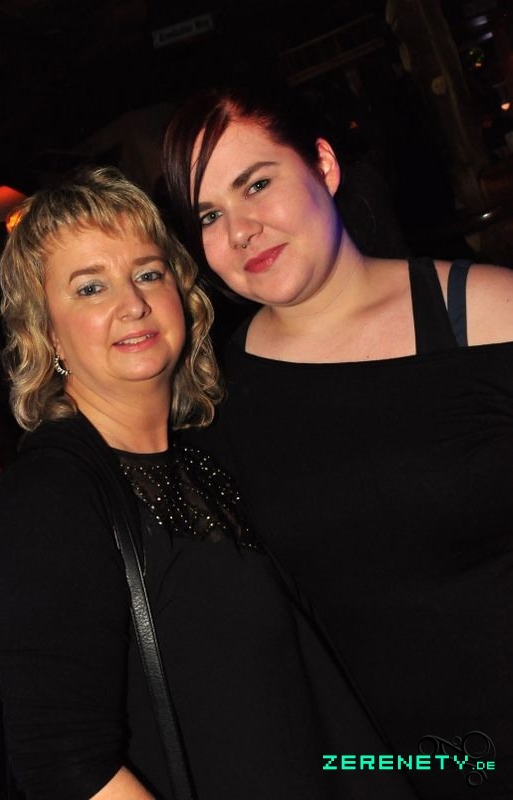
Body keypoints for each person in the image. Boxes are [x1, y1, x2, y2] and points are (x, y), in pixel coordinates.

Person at [0, 166, 422, 800]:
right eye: (90, 287)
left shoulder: (204, 460)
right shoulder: (52, 495)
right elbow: (65, 766)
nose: (133, 303)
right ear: (47, 331)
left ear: (180, 292)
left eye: (147, 273)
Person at [161, 84, 513, 800]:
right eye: (209, 215)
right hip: (372, 774)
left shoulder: (485, 315)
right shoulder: (214, 403)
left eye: (257, 184)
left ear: (323, 165)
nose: (241, 230)